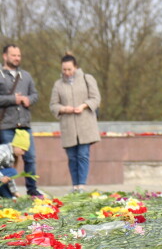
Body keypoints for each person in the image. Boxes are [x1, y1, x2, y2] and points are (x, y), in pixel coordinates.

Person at [49, 55, 102, 193]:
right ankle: (75, 185)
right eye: (64, 69)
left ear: (76, 67)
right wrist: (64, 109)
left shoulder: (87, 79)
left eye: (69, 69)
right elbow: (53, 105)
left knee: (83, 155)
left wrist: (84, 106)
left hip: (85, 124)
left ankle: (81, 186)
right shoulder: (58, 84)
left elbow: (96, 98)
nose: (67, 72)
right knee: (72, 157)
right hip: (68, 126)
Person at [0, 44, 40, 197]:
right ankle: (9, 193)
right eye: (13, 55)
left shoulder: (26, 76)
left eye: (18, 55)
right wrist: (13, 99)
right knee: (7, 161)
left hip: (24, 124)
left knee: (30, 158)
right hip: (6, 125)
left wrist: (29, 99)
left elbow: (35, 95)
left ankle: (32, 190)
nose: (17, 58)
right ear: (5, 56)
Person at [0, 129, 30, 199]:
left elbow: (9, 178)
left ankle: (9, 198)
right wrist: (1, 178)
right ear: (16, 145)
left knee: (10, 198)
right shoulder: (3, 151)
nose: (23, 153)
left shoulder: (12, 155)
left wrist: (15, 192)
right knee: (12, 171)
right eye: (22, 150)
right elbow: (9, 174)